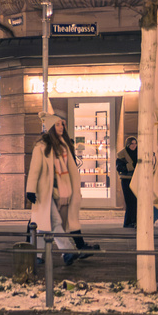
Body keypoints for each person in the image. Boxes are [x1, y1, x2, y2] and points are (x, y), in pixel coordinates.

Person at [25, 113, 95, 263]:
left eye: (62, 124)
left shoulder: (63, 146)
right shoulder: (41, 147)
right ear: (50, 127)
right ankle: (67, 251)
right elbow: (34, 170)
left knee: (44, 225)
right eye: (57, 125)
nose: (61, 127)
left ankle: (37, 255)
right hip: (43, 192)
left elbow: (71, 169)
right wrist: (30, 189)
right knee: (54, 221)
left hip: (60, 191)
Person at [116, 136, 139, 229]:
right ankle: (128, 222)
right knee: (130, 201)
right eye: (132, 144)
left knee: (136, 201)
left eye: (135, 143)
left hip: (136, 179)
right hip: (126, 179)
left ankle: (134, 221)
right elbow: (119, 167)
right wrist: (130, 167)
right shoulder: (122, 154)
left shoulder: (139, 153)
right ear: (128, 144)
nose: (134, 146)